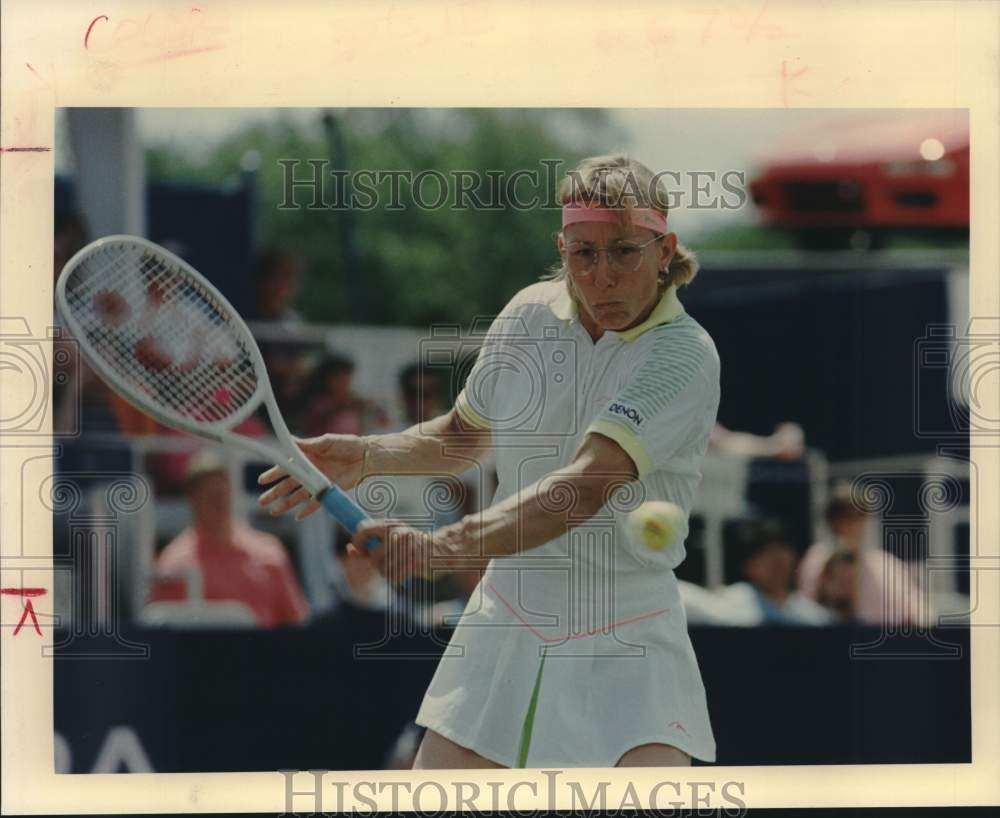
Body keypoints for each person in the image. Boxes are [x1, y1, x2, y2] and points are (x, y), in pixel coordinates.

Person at [259, 154, 719, 768]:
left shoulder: (683, 355)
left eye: (624, 251)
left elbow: (582, 487)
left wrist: (441, 548)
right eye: (584, 253)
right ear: (562, 248)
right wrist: (364, 456)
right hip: (506, 621)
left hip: (628, 636)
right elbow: (462, 437)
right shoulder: (528, 314)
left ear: (665, 249)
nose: (602, 275)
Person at [150, 449, 310, 628]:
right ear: (193, 501)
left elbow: (296, 622)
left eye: (223, 493)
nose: (220, 502)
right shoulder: (174, 564)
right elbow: (167, 633)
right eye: (211, 496)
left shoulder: (269, 552)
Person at [796, 484, 924, 626]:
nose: (856, 523)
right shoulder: (816, 558)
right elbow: (808, 612)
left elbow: (918, 611)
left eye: (861, 515)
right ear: (832, 520)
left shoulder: (886, 563)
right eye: (848, 516)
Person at [715, 520, 830, 625]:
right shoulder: (730, 602)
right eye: (769, 553)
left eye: (783, 551)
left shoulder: (813, 616)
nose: (778, 560)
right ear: (748, 565)